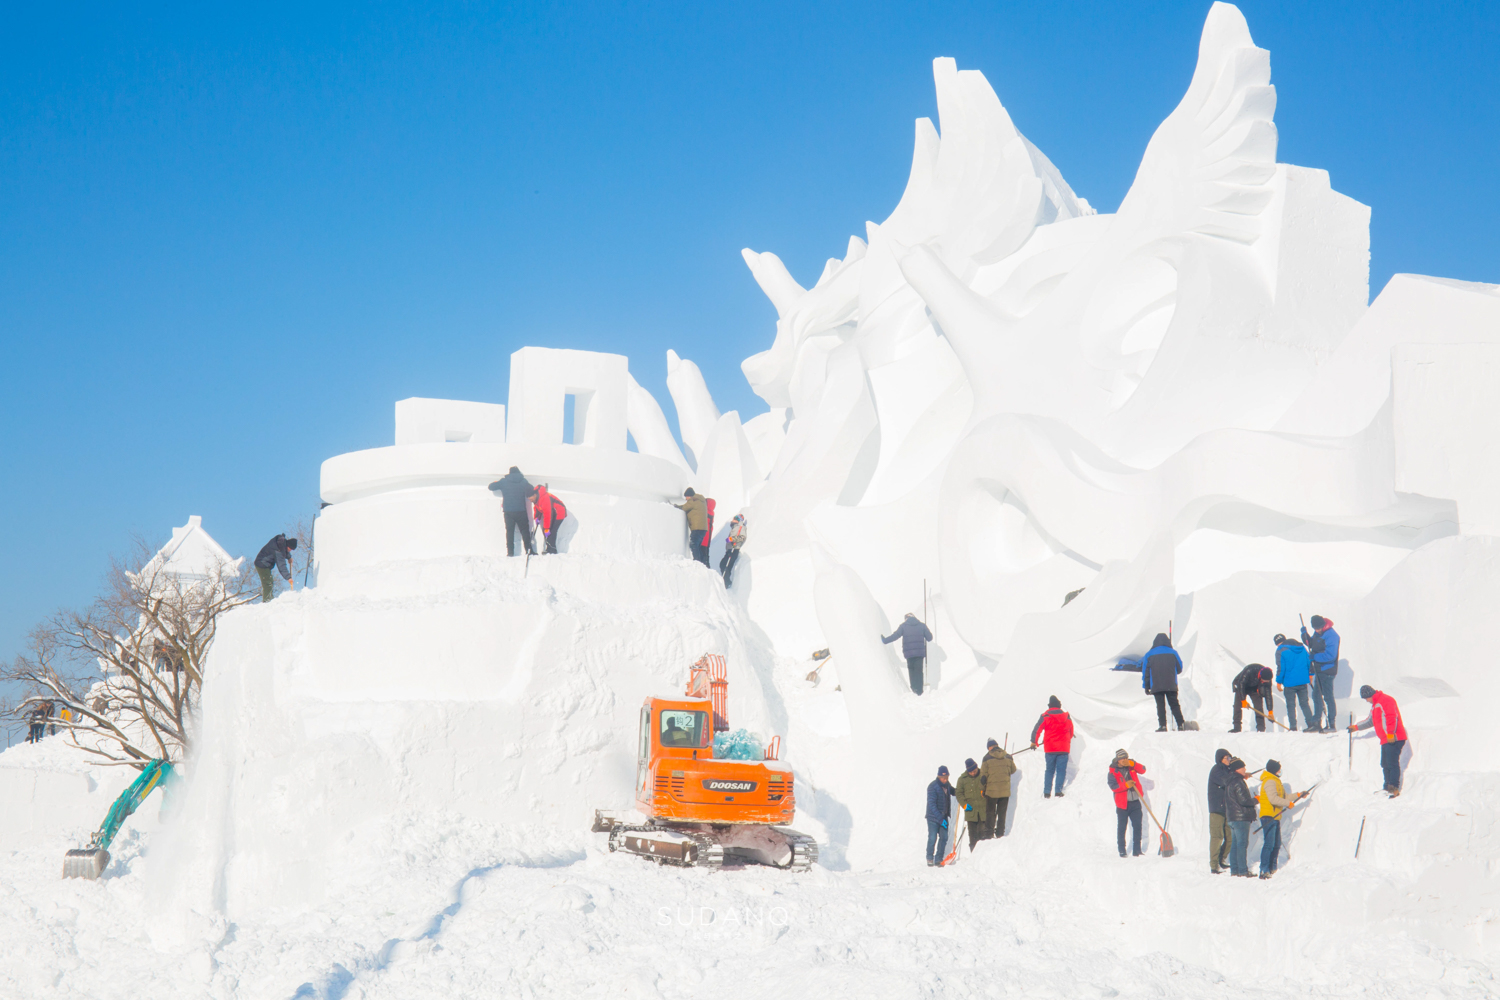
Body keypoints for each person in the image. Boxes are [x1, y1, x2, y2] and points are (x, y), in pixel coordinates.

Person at [1349, 685, 1407, 796]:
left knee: (1392, 763)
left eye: (1366, 698)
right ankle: (1386, 787)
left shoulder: (1386, 700)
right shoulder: (1375, 705)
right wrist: (1355, 727)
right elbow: (1370, 721)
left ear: (1369, 695)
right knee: (1385, 763)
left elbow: (1391, 716)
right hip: (1386, 739)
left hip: (1394, 737)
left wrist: (1390, 733)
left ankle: (1394, 789)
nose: (1366, 701)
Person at [1257, 759, 1307, 878]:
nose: (1280, 771)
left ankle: (1272, 867)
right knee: (1269, 844)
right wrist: (1287, 804)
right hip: (1268, 816)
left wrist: (1298, 795)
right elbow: (1273, 799)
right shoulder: (1269, 781)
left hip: (1275, 816)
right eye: (1279, 769)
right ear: (1275, 770)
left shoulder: (1276, 781)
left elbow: (1285, 797)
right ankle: (1264, 870)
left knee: (1276, 843)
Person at [1302, 615, 1341, 733]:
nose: (1317, 630)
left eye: (1319, 628)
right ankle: (1316, 723)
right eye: (1315, 629)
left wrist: (1315, 657)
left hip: (1327, 670)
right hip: (1319, 669)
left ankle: (1331, 724)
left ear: (1323, 625)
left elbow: (1331, 655)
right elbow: (1312, 644)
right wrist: (1305, 636)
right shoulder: (1318, 633)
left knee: (1328, 697)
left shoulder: (1332, 635)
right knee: (1316, 696)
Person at [1030, 696, 1075, 798]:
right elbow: (1071, 732)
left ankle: (1046, 792)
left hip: (1050, 748)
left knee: (1050, 770)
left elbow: (1037, 729)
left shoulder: (1045, 716)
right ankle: (1058, 791)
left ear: (1050, 706)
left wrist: (1034, 742)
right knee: (1061, 770)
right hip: (1063, 748)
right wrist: (1065, 740)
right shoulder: (1066, 716)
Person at [1141, 632, 1186, 732]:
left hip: (1156, 685)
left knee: (1160, 706)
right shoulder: (1173, 652)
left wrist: (1146, 686)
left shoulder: (1149, 654)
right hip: (1171, 684)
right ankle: (1181, 724)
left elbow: (1146, 673)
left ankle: (1163, 726)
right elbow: (1179, 668)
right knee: (1174, 704)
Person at [882, 613, 934, 695]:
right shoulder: (922, 625)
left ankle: (914, 689)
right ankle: (919, 691)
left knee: (911, 671)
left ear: (906, 619)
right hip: (919, 653)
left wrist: (885, 640)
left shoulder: (903, 626)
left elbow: (895, 636)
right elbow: (930, 638)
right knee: (919, 671)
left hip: (909, 653)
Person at [488, 467, 535, 557]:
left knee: (509, 532)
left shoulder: (504, 481)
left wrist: (495, 482)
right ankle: (529, 550)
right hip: (521, 510)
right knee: (525, 531)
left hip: (508, 512)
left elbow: (491, 487)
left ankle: (510, 552)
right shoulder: (523, 481)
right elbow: (531, 489)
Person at [1107, 750, 1147, 858]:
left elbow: (1143, 770)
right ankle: (1122, 850)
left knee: (1137, 826)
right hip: (1122, 804)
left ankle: (1137, 850)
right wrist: (1125, 785)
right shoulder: (1112, 772)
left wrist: (1132, 764)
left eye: (1126, 758)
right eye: (1122, 758)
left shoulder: (1131, 766)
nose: (1124, 760)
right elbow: (1113, 787)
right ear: (1117, 760)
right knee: (1122, 828)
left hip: (1135, 802)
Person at [1224, 757, 1258, 877]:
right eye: (1243, 767)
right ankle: (1243, 871)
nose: (1245, 769)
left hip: (1232, 817)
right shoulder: (1238, 782)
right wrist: (1256, 800)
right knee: (1242, 844)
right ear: (1238, 768)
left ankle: (1235, 870)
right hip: (1241, 818)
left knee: (1235, 844)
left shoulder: (1230, 781)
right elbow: (1244, 801)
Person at [1274, 634, 1313, 732]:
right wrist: (1310, 674)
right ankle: (1311, 724)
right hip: (1303, 681)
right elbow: (1309, 660)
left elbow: (1281, 667)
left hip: (1289, 683)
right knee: (1304, 704)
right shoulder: (1301, 647)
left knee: (1291, 705)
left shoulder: (1280, 650)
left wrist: (1278, 681)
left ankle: (1293, 727)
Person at [979, 739, 1016, 838]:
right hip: (1004, 791)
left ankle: (989, 834)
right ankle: (1000, 833)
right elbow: (1013, 770)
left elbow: (983, 777)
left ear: (990, 747)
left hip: (991, 792)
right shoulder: (1007, 756)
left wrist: (982, 789)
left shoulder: (986, 758)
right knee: (1002, 813)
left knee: (990, 813)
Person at [1207, 748, 1233, 874]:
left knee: (1230, 836)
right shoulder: (1216, 770)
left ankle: (1222, 859)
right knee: (1217, 836)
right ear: (1220, 759)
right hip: (1217, 808)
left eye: (1229, 758)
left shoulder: (1228, 771)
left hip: (1227, 809)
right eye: (1226, 758)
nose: (1229, 760)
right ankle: (1214, 864)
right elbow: (1225, 781)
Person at [925, 765, 957, 866]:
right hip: (933, 818)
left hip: (944, 816)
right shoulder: (932, 787)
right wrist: (939, 819)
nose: (945, 779)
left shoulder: (947, 785)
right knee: (932, 837)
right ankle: (930, 857)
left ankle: (939, 858)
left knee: (944, 837)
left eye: (947, 777)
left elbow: (953, 791)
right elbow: (932, 805)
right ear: (938, 777)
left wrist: (960, 791)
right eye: (943, 778)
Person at [253, 534, 298, 602]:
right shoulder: (278, 550)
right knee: (268, 583)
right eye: (290, 549)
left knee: (270, 582)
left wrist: (289, 557)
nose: (290, 550)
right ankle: (267, 601)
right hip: (262, 564)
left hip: (265, 564)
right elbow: (281, 565)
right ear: (288, 545)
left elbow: (284, 551)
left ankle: (269, 600)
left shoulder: (281, 543)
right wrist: (288, 577)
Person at [955, 758, 988, 850]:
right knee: (973, 836)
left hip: (983, 811)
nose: (973, 773)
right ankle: (973, 855)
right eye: (971, 772)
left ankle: (984, 854)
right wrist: (964, 804)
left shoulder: (983, 774)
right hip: (971, 813)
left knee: (983, 834)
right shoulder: (962, 779)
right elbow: (959, 793)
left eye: (975, 771)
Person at [1231, 664, 1274, 733]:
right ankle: (1237, 728)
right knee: (1237, 706)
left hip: (1254, 688)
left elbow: (1268, 695)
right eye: (1263, 681)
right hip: (1241, 686)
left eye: (1266, 682)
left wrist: (1270, 711)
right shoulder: (1249, 670)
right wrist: (1243, 701)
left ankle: (1261, 729)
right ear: (1260, 676)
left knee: (1259, 708)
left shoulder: (1267, 678)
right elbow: (1241, 684)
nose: (1264, 683)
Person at [675, 489, 710, 566]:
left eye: (686, 497)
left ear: (689, 495)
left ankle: (697, 562)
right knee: (698, 546)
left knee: (693, 544)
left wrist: (675, 506)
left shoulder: (693, 500)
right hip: (703, 528)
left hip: (697, 528)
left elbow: (684, 508)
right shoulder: (701, 500)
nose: (686, 499)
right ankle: (701, 563)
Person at [532, 484, 567, 554]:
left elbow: (547, 515)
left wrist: (547, 528)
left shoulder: (544, 498)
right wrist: (537, 517)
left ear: (534, 495)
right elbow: (537, 507)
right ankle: (550, 548)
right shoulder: (537, 498)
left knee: (553, 530)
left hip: (559, 511)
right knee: (548, 530)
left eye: (531, 498)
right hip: (553, 511)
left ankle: (552, 550)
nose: (531, 500)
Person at [720, 514, 746, 587]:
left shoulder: (741, 527)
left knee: (726, 565)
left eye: (734, 519)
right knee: (723, 564)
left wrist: (732, 539)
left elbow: (742, 537)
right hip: (729, 550)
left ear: (738, 520)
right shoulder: (734, 527)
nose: (732, 520)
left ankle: (727, 582)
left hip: (734, 549)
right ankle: (726, 581)